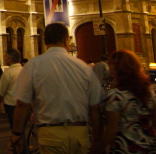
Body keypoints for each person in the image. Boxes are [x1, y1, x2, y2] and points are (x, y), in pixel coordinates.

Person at [9, 23, 102, 154]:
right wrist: (97, 139)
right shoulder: (83, 67)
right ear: (66, 40)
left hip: (51, 134)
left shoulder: (33, 65)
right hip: (80, 133)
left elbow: (22, 104)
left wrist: (17, 134)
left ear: (46, 41)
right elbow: (95, 107)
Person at [102, 49, 156, 153]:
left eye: (111, 65)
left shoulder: (116, 95)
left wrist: (99, 147)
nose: (109, 68)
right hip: (149, 147)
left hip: (125, 148)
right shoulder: (147, 91)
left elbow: (112, 128)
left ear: (117, 69)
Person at [0, 48, 22, 128]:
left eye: (5, 56)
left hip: (12, 106)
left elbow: (0, 94)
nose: (4, 58)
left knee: (15, 129)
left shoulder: (8, 73)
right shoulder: (25, 70)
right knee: (21, 129)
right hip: (26, 105)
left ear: (10, 59)